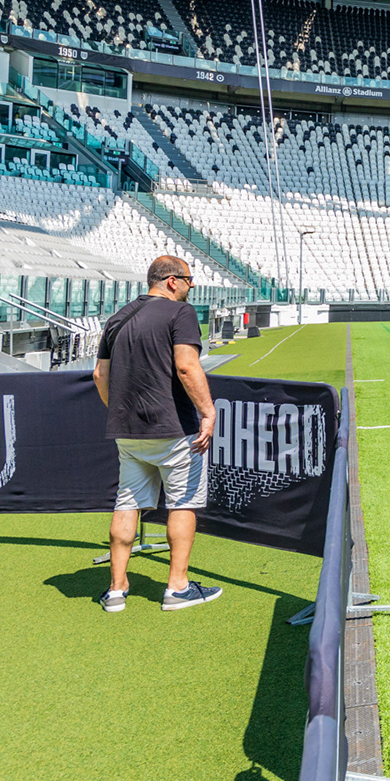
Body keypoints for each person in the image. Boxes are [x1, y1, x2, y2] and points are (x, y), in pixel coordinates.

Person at [93, 255, 221, 612]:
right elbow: (186, 364)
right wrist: (208, 413)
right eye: (188, 279)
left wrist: (119, 412)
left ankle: (116, 589)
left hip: (127, 430)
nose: (191, 285)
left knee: (127, 501)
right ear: (171, 281)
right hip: (174, 428)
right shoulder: (181, 314)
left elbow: (100, 377)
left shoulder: (118, 317)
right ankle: (177, 588)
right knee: (182, 502)